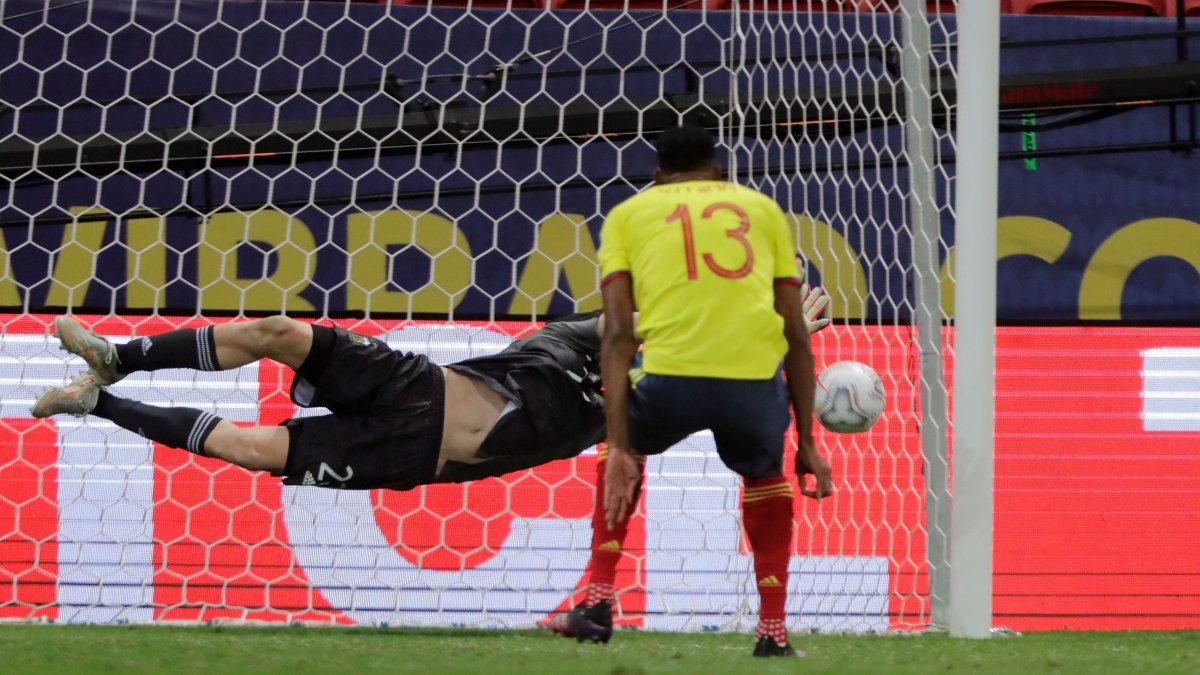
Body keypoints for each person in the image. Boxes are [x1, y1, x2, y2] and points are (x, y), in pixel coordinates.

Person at [31, 287, 827, 492]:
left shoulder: (617, 416)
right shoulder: (572, 339)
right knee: (279, 331)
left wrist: (780, 336)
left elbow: (709, 382)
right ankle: (121, 356)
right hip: (414, 380)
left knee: (249, 448)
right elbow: (658, 324)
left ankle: (96, 402)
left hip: (406, 449)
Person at [550, 126, 833, 658]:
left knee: (627, 449)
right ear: (718, 170)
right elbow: (796, 335)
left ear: (658, 176)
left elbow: (614, 335)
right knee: (765, 474)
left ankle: (597, 602)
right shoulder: (763, 211)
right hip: (752, 386)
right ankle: (772, 633)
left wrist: (616, 445)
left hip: (669, 382)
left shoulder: (630, 215)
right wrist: (809, 442)